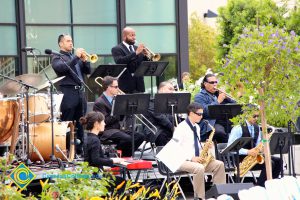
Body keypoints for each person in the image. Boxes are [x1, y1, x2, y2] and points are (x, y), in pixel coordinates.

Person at [173, 102, 226, 200]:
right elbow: (175, 148)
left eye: (202, 114)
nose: (201, 117)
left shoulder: (196, 127)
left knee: (219, 164)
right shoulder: (181, 128)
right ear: (191, 113)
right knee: (199, 168)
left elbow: (194, 145)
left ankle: (219, 195)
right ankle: (199, 197)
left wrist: (204, 146)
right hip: (180, 160)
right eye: (199, 114)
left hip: (195, 160)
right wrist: (191, 158)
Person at [51, 34, 91, 155]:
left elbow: (88, 71)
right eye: (68, 41)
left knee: (81, 121)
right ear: (61, 44)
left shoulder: (75, 57)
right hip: (68, 92)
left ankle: (80, 150)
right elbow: (62, 68)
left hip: (80, 91)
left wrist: (85, 61)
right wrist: (76, 58)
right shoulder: (57, 57)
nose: (71, 43)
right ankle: (67, 150)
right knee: (67, 122)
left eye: (71, 41)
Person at [93, 76, 144, 157]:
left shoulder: (115, 99)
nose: (118, 89)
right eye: (116, 87)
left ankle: (124, 156)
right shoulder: (99, 102)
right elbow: (104, 121)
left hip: (116, 129)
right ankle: (115, 154)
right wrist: (118, 110)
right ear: (108, 87)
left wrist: (126, 109)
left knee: (139, 136)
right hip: (106, 131)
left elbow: (119, 118)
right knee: (128, 139)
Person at [227, 111, 281, 187]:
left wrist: (261, 147)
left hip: (253, 157)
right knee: (269, 163)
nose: (256, 118)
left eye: (257, 116)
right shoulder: (238, 128)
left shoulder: (257, 127)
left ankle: (271, 186)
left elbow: (257, 144)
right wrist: (247, 152)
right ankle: (259, 187)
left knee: (279, 161)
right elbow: (230, 148)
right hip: (241, 159)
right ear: (246, 114)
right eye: (254, 116)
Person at [80, 111, 125, 193]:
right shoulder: (95, 140)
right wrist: (113, 161)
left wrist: (109, 161)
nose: (104, 124)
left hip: (88, 173)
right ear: (96, 124)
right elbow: (96, 159)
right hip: (95, 176)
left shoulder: (87, 137)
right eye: (103, 122)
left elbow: (91, 158)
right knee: (122, 182)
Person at [194, 73, 236, 143]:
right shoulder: (199, 96)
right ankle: (222, 151)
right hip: (210, 122)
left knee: (239, 129)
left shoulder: (217, 94)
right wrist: (218, 101)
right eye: (212, 82)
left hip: (224, 121)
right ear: (205, 84)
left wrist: (227, 98)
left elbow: (235, 105)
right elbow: (204, 112)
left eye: (216, 82)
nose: (215, 84)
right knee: (220, 132)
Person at [111, 27, 149, 93]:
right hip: (126, 85)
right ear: (124, 36)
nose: (134, 37)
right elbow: (120, 61)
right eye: (131, 35)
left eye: (134, 35)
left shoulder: (137, 48)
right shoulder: (117, 49)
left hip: (139, 85)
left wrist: (146, 56)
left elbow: (143, 65)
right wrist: (136, 53)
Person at [143, 81, 176, 146]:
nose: (172, 92)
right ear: (162, 89)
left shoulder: (170, 103)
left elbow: (171, 118)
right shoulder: (151, 102)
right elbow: (160, 117)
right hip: (153, 129)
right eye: (170, 89)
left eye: (173, 90)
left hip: (166, 128)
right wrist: (173, 128)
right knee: (162, 136)